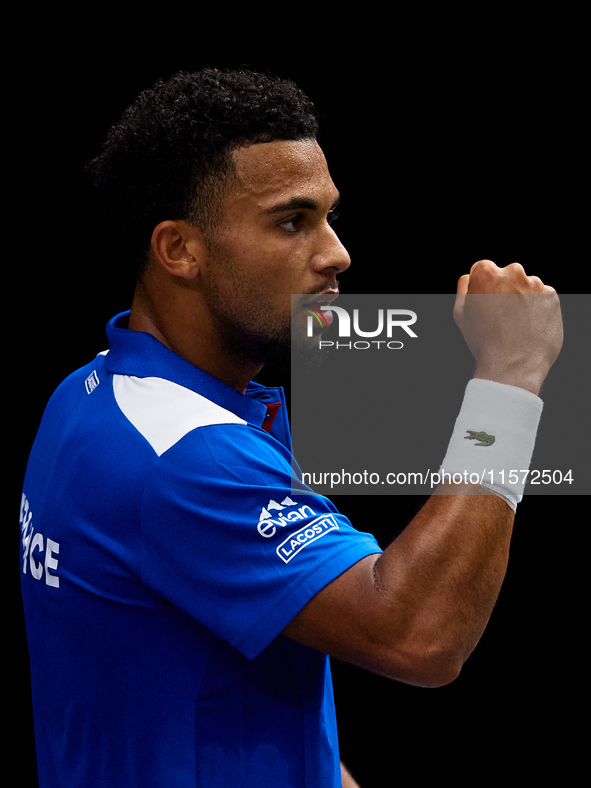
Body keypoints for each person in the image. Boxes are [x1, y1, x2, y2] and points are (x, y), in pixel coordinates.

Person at [19, 68, 563, 787]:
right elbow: (418, 636)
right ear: (178, 249)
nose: (336, 252)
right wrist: (508, 381)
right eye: (290, 220)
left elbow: (207, 661)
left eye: (329, 215)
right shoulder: (183, 456)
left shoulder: (91, 393)